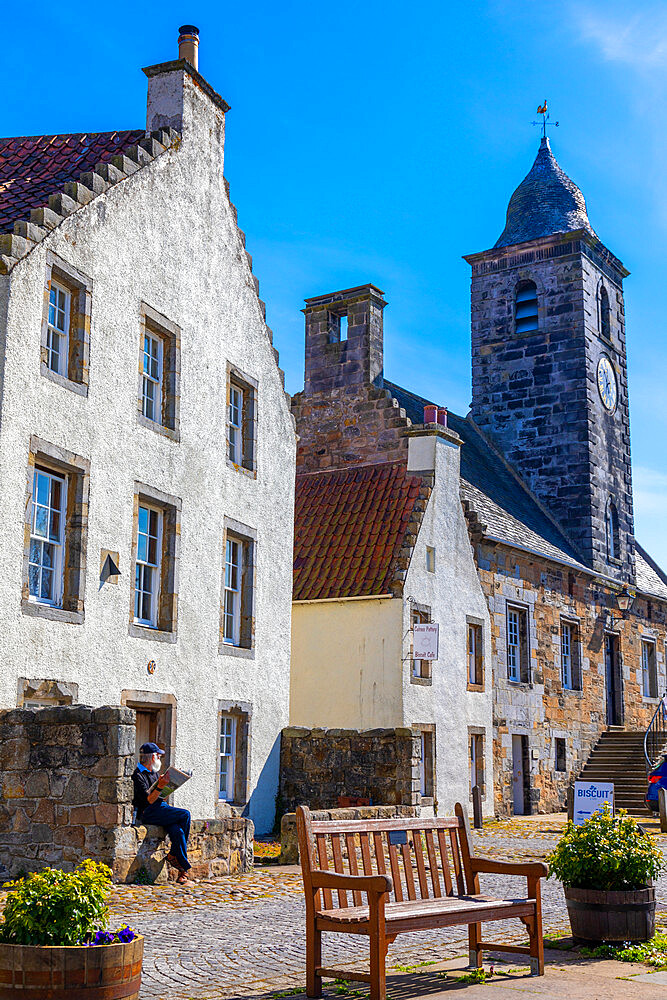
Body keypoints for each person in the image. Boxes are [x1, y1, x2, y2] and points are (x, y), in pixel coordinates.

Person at [131, 742, 193, 884]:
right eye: (158, 755)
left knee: (177, 831)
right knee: (185, 815)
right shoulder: (138, 775)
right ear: (152, 757)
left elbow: (161, 797)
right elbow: (149, 800)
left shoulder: (154, 773)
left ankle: (177, 862)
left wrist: (169, 786)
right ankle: (181, 864)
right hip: (148, 812)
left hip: (160, 809)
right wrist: (160, 786)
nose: (159, 758)